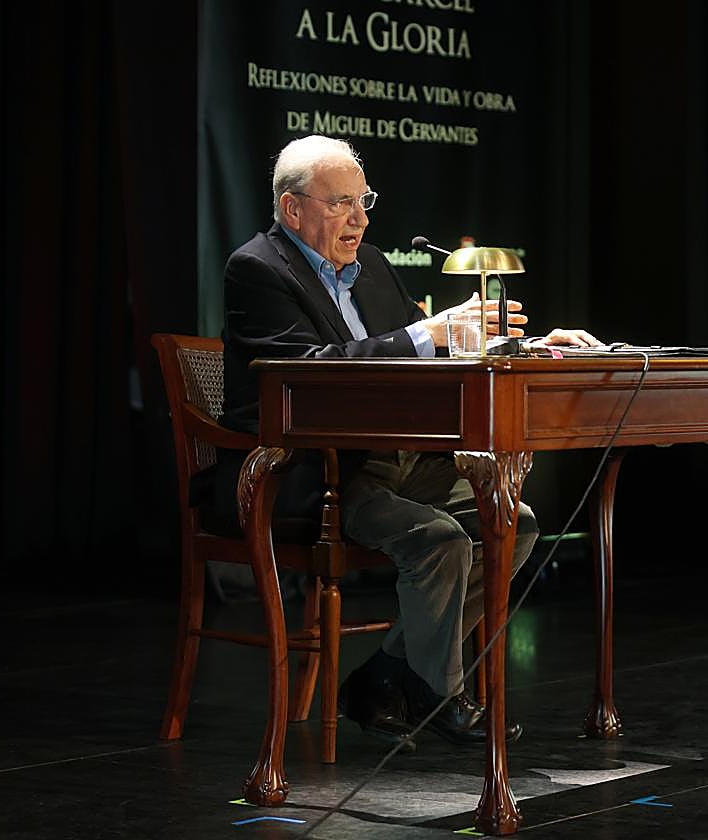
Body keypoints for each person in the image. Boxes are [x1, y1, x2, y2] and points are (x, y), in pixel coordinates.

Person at [216, 135, 599, 749]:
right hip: (316, 474)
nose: (361, 218)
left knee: (514, 523)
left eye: (363, 200)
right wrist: (430, 333)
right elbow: (311, 371)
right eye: (341, 203)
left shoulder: (373, 268)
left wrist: (525, 347)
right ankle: (439, 694)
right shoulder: (259, 269)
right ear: (292, 209)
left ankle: (388, 676)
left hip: (395, 460)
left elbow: (423, 369)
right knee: (441, 540)